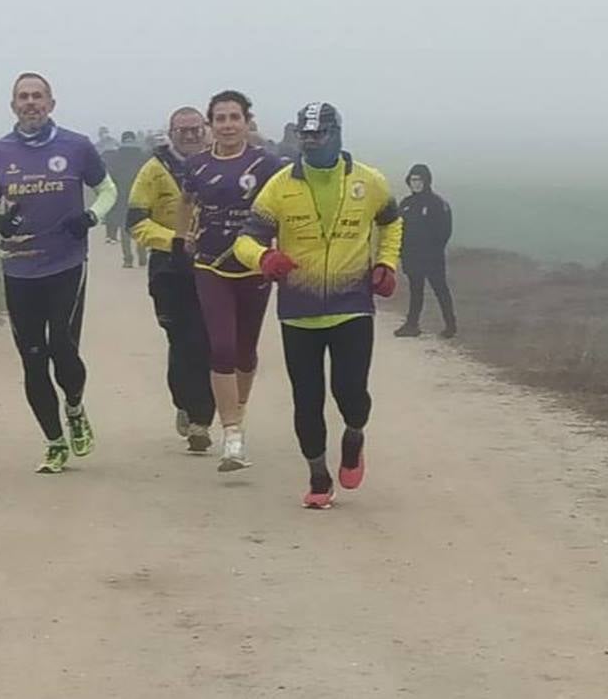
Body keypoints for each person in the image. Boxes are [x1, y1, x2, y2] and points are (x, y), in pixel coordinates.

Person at [235, 102, 402, 509]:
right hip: (299, 311)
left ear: (337, 134)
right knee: (306, 399)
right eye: (304, 136)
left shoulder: (369, 181)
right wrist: (263, 259)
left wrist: (385, 262)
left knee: (350, 392)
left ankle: (354, 436)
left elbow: (391, 221)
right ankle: (317, 475)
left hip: (352, 306)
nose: (311, 143)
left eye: (319, 134)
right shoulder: (279, 186)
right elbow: (244, 240)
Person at [0, 72, 118, 473]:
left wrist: (91, 216)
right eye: (23, 97)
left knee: (64, 348)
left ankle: (74, 407)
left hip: (66, 262)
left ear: (51, 103)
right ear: (13, 106)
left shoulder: (76, 146)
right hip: (19, 267)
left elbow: (108, 189)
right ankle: (54, 441)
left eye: (38, 96)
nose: (31, 103)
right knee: (33, 358)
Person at [173, 90, 283, 472]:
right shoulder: (196, 165)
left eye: (234, 117)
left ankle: (238, 412)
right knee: (220, 346)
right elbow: (185, 203)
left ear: (247, 121)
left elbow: (284, 208)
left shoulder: (267, 164)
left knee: (245, 351)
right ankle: (232, 435)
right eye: (220, 119)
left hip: (253, 267)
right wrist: (181, 237)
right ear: (211, 125)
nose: (228, 125)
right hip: (210, 265)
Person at [127, 107, 216, 452]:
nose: (190, 136)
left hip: (213, 265)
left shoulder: (219, 165)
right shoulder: (153, 171)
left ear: (205, 130)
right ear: (171, 132)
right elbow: (136, 220)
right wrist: (175, 240)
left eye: (196, 129)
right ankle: (185, 403)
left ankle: (202, 420)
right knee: (182, 342)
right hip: (169, 269)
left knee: (209, 343)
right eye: (183, 130)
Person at [394, 164, 457, 339]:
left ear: (426, 181)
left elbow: (445, 231)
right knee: (416, 291)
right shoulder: (406, 204)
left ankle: (450, 325)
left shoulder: (438, 204)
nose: (416, 183)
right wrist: (400, 251)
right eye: (413, 180)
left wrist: (433, 250)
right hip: (411, 257)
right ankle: (412, 325)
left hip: (432, 258)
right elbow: (398, 229)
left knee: (440, 290)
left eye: (419, 180)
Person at [111, 131, 149, 268]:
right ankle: (142, 255)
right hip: (141, 195)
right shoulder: (144, 156)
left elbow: (111, 178)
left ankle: (128, 259)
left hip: (121, 197)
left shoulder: (115, 158)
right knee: (141, 225)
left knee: (124, 228)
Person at [95, 127, 121, 243]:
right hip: (113, 180)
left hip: (108, 179)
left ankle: (110, 235)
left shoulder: (99, 146)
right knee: (114, 208)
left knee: (110, 208)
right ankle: (112, 234)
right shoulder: (113, 144)